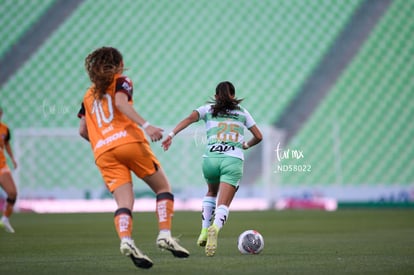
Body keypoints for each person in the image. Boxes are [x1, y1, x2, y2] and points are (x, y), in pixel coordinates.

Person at [77, 47, 189, 269]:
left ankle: (126, 240)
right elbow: (120, 103)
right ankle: (165, 234)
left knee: (124, 202)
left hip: (103, 152)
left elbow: (82, 130)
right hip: (129, 143)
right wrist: (146, 126)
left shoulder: (87, 96)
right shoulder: (121, 81)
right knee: (163, 187)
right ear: (118, 64)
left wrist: (104, 141)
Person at [162, 81, 263, 256]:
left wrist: (171, 135)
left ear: (216, 96)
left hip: (211, 159)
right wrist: (245, 144)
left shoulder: (208, 109)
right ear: (233, 95)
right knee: (223, 203)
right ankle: (214, 228)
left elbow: (188, 119)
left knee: (210, 192)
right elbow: (259, 136)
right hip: (232, 159)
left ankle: (203, 231)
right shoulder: (242, 112)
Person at [0, 107, 18, 233]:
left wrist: (12, 158)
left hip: (2, 166)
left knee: (13, 193)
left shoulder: (4, 129)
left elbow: (6, 144)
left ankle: (5, 219)